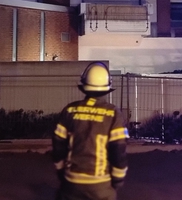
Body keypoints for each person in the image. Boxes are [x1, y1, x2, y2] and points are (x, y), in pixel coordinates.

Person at [52, 62, 129, 200]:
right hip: (100, 185)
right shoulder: (113, 114)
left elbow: (58, 144)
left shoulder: (70, 110)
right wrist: (117, 179)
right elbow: (118, 149)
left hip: (71, 183)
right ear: (107, 87)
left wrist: (60, 170)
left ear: (84, 85)